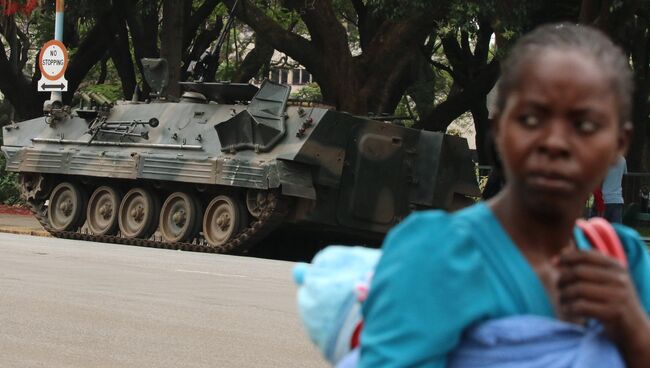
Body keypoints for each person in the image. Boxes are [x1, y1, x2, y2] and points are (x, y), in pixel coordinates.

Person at [359, 23, 650, 367]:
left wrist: (633, 329)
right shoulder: (438, 252)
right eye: (530, 118)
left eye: (585, 125)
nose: (555, 142)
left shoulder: (622, 257)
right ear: (498, 130)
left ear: (619, 144)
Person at [602, 156, 627, 222]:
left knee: (599, 229)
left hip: (603, 198)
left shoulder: (604, 158)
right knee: (616, 229)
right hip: (617, 199)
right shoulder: (623, 159)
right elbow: (624, 178)